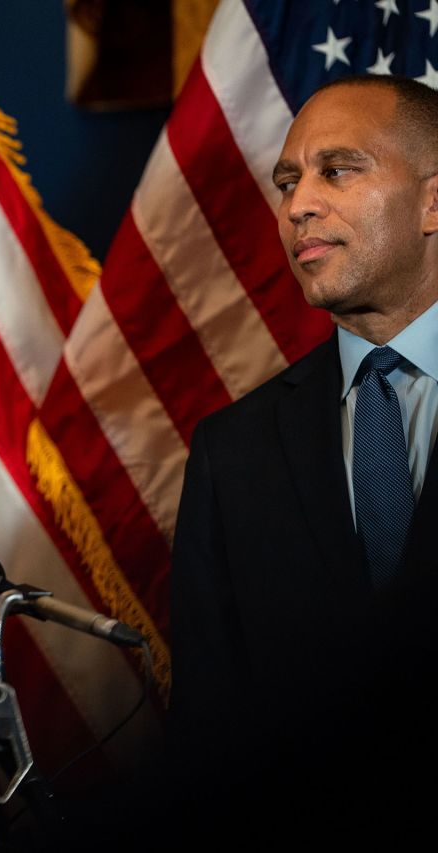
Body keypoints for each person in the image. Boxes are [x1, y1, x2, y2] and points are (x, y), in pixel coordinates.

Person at [169, 75, 438, 833]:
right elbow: (208, 738)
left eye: (338, 170)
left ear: (432, 202)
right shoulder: (233, 451)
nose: (297, 206)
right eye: (288, 181)